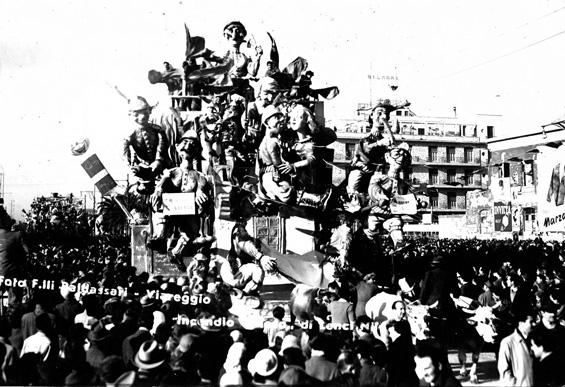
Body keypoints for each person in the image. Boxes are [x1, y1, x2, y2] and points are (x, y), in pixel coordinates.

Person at [150, 129, 214, 271]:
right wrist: (158, 190)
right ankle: (159, 238)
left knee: (192, 231)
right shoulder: (171, 172)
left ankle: (176, 253)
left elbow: (201, 188)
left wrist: (199, 193)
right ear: (178, 148)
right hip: (171, 211)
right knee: (160, 214)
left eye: (192, 144)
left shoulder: (199, 176)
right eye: (185, 143)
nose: (188, 146)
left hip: (189, 213)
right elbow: (160, 186)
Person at [123, 96, 168, 194]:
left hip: (159, 166)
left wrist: (158, 161)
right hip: (141, 165)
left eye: (144, 112)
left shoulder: (157, 130)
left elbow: (161, 147)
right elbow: (124, 151)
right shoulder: (130, 133)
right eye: (137, 114)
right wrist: (129, 165)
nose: (142, 117)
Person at [497, 312, 535, 386]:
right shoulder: (508, 342)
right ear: (521, 323)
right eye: (531, 322)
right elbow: (504, 370)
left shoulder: (535, 341)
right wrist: (514, 384)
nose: (534, 324)